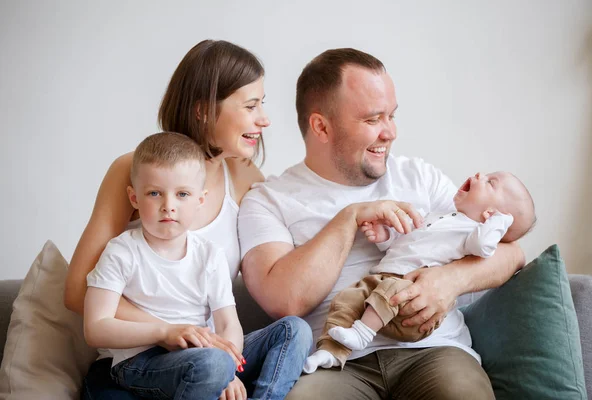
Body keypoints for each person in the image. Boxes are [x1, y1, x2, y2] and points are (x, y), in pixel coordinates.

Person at [238, 48, 526, 399]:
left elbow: (512, 253)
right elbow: (284, 301)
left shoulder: (419, 176)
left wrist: (451, 281)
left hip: (435, 352)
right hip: (337, 361)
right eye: (373, 119)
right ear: (321, 126)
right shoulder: (268, 200)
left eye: (391, 116)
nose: (390, 132)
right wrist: (350, 217)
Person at [64, 40, 312, 400]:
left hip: (208, 353)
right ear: (203, 110)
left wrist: (220, 355)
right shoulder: (136, 170)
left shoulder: (245, 178)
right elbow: (76, 292)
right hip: (144, 357)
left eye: (263, 103)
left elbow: (277, 281)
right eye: (250, 105)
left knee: (294, 330)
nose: (265, 119)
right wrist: (177, 336)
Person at [305, 171, 536, 372]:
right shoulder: (438, 217)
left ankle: (363, 333)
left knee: (390, 291)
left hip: (411, 299)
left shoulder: (474, 233)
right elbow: (407, 245)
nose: (479, 175)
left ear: (490, 213)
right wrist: (385, 237)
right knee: (346, 300)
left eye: (490, 182)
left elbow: (487, 247)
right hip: (379, 280)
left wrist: (498, 223)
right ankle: (332, 352)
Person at [85, 132, 246, 398]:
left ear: (200, 200)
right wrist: (165, 332)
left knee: (292, 331)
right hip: (140, 361)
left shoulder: (209, 255)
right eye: (155, 193)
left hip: (200, 359)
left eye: (182, 194)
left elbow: (229, 324)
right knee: (212, 363)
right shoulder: (122, 251)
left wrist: (229, 371)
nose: (168, 206)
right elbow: (95, 328)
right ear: (134, 198)